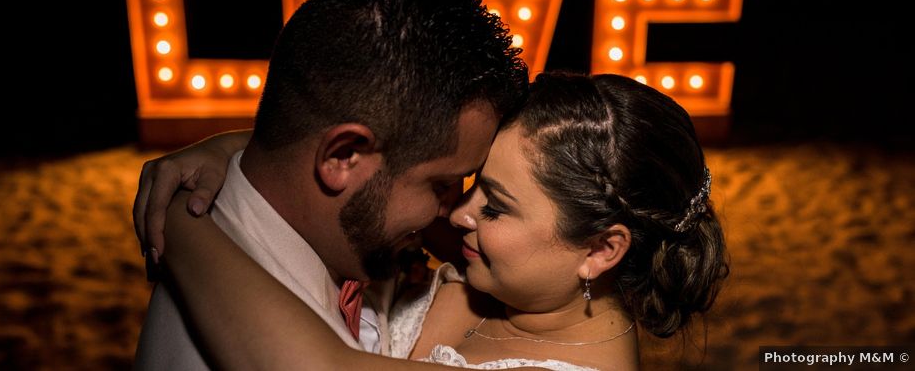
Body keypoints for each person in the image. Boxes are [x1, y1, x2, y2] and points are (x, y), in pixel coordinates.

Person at [141, 72, 728, 370]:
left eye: (494, 206)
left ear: (602, 249)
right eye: (471, 184)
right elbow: (365, 168)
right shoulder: (519, 272)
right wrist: (227, 152)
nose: (459, 211)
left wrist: (180, 223)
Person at [133, 0, 529, 369]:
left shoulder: (317, 230)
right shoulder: (218, 343)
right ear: (342, 157)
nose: (455, 212)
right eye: (442, 184)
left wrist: (227, 149)